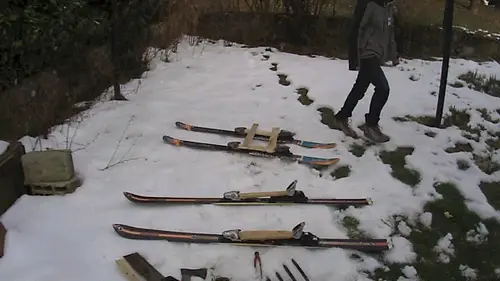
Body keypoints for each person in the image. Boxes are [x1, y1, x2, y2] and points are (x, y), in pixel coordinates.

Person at [332, 0, 400, 143]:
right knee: (383, 88)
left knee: (360, 88)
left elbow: (390, 35)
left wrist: (394, 56)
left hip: (377, 55)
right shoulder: (368, 4)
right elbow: (357, 29)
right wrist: (355, 57)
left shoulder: (388, 10)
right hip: (367, 53)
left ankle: (342, 117)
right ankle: (371, 125)